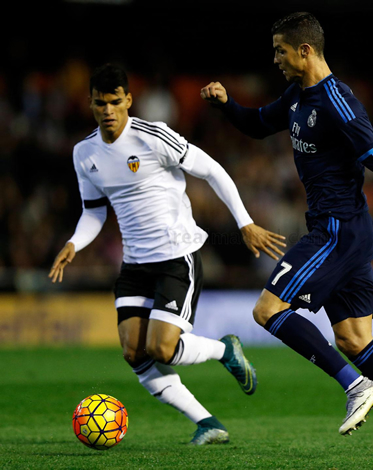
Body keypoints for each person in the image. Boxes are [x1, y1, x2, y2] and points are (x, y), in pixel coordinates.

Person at [201, 12, 373, 458]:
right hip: (344, 232)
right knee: (355, 339)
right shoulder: (298, 96)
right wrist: (226, 104)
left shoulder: (339, 103)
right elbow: (257, 123)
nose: (274, 58)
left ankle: (354, 384)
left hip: (338, 230)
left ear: (305, 50)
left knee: (267, 309)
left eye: (279, 49)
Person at [49, 63, 287, 446]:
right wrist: (75, 243)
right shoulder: (85, 153)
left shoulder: (153, 136)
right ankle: (208, 423)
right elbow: (94, 211)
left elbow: (213, 171)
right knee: (133, 352)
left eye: (114, 101)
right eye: (99, 103)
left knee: (161, 347)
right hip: (134, 263)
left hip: (177, 257)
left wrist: (245, 223)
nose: (107, 110)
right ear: (90, 105)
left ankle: (224, 349)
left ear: (128, 100)